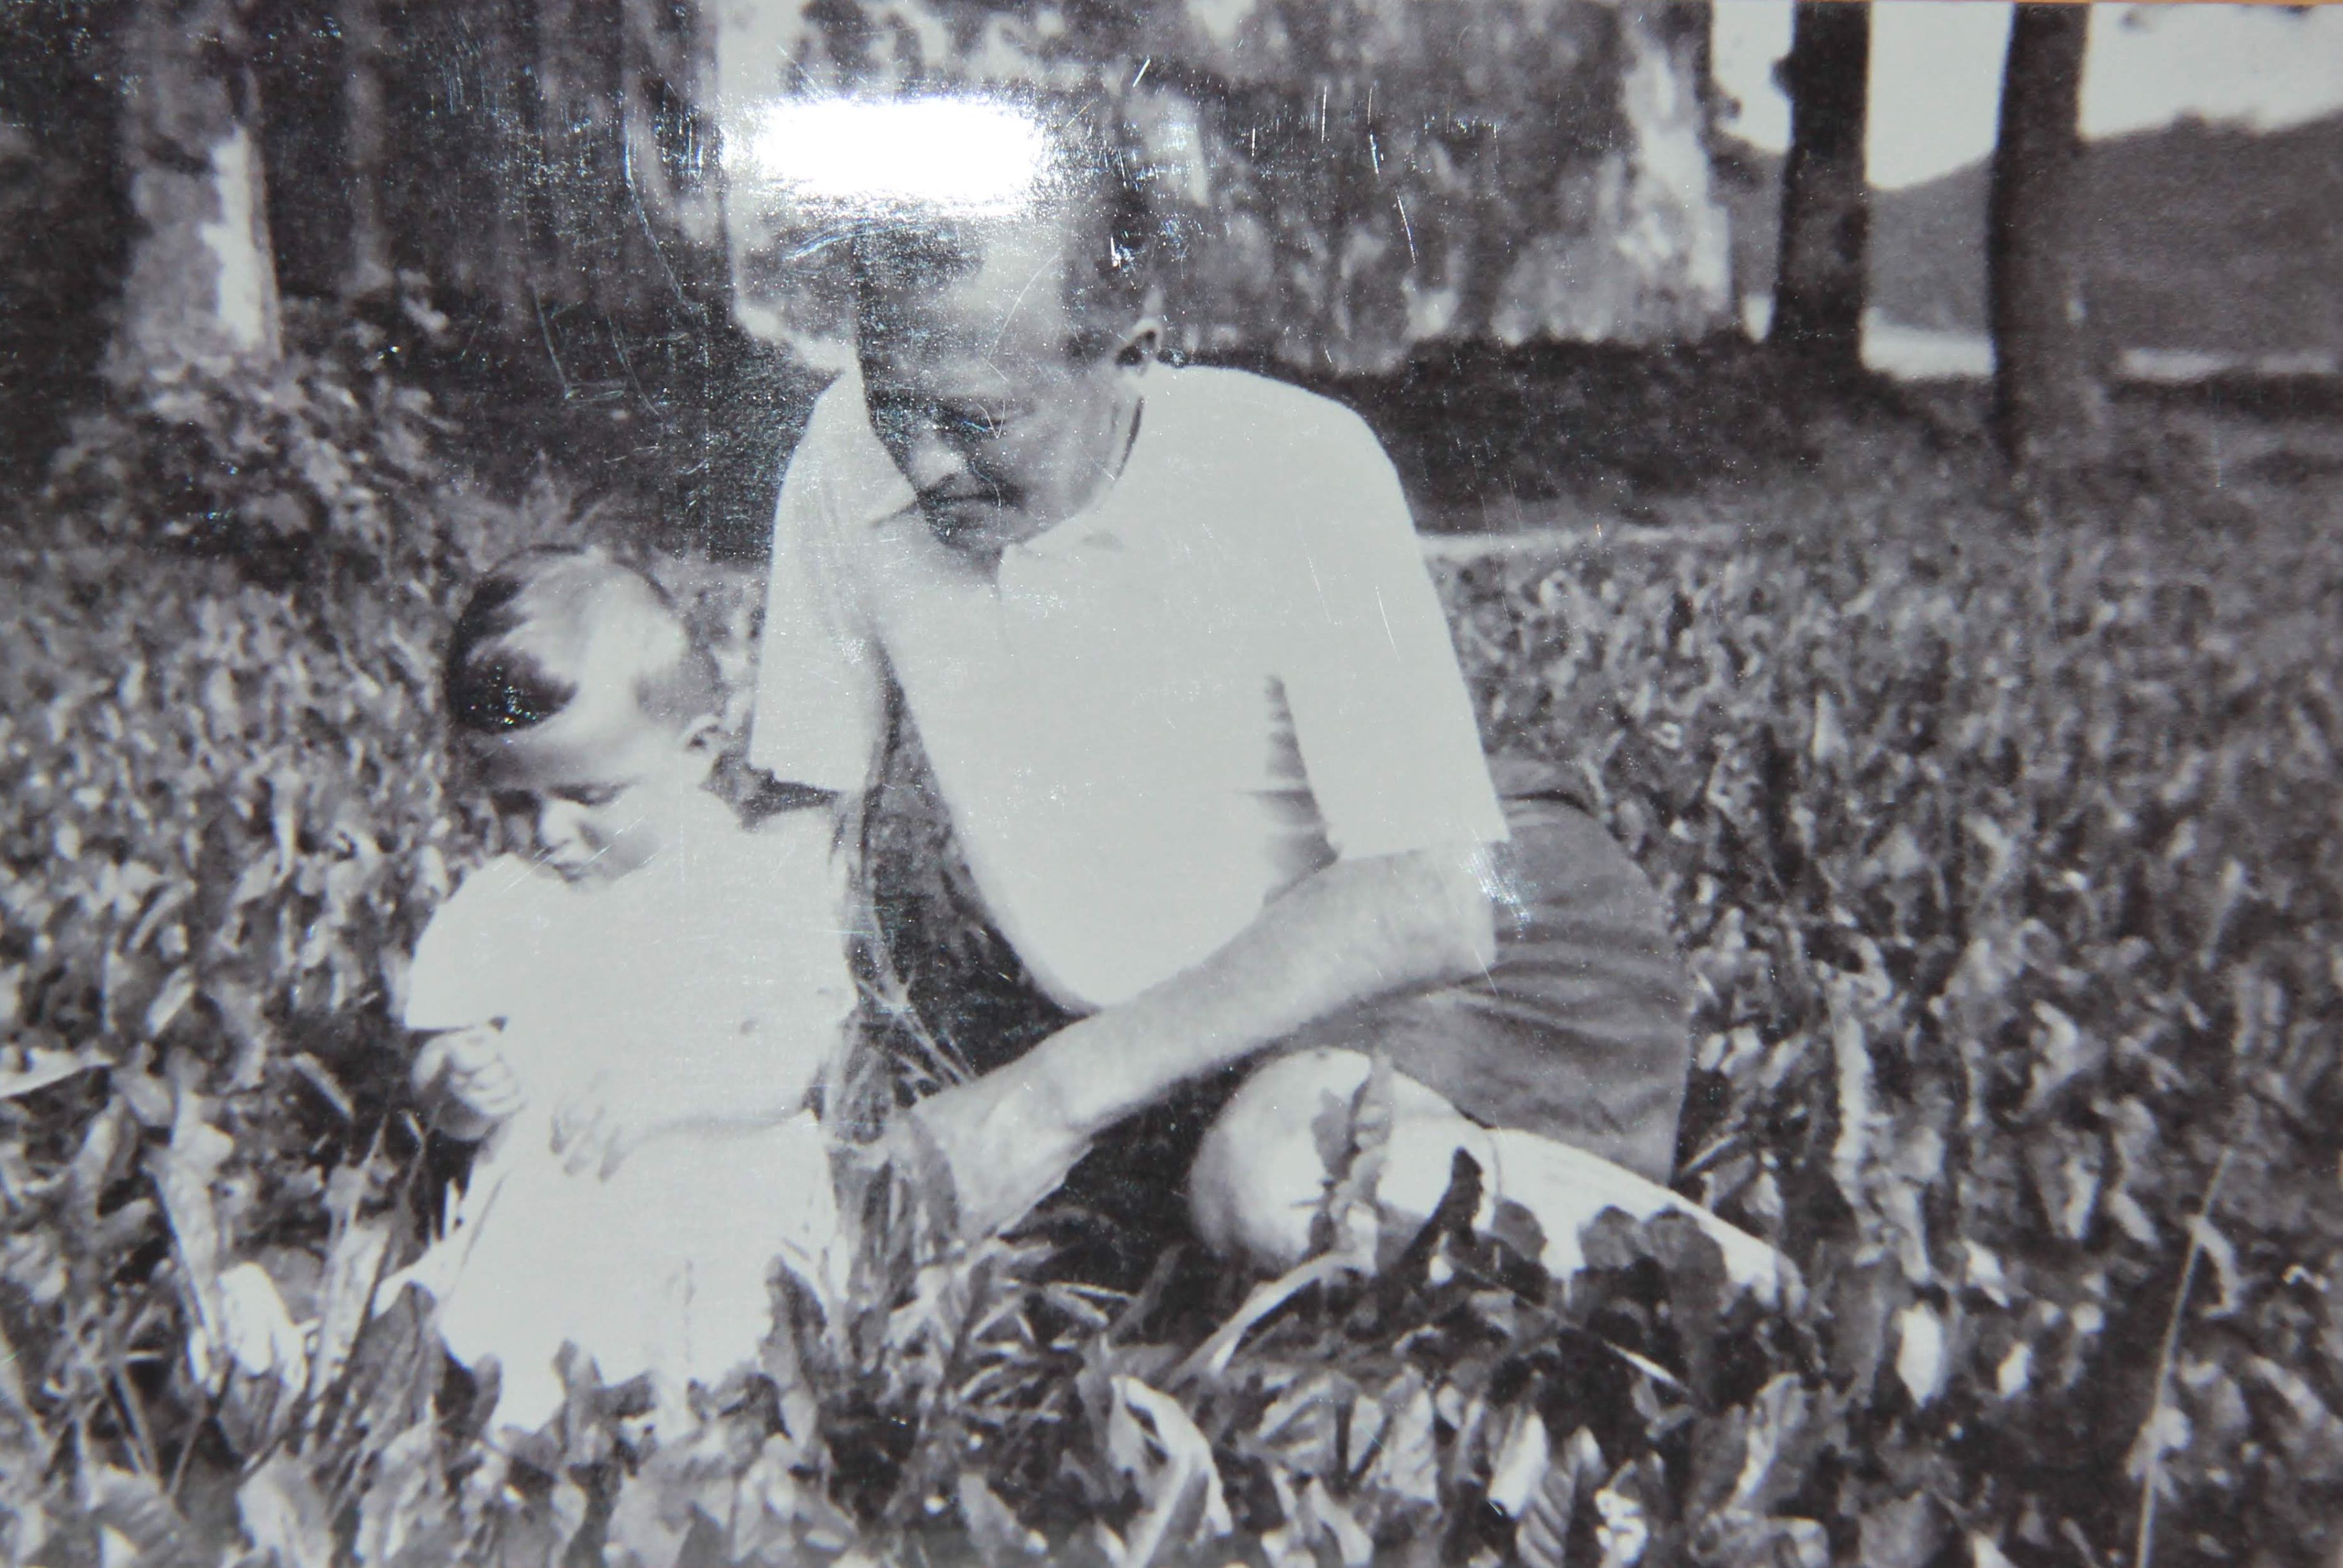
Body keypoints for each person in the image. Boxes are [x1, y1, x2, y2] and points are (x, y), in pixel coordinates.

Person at [752, 96, 1750, 1284]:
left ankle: (1736, 1286)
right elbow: (803, 823)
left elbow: (1432, 899)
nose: (922, 464)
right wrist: (748, 1094)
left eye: (978, 421)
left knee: (1274, 1187)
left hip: (1483, 954)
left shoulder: (1290, 467)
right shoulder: (841, 461)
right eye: (893, 403)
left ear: (1132, 351)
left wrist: (1043, 1100)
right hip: (1202, 1033)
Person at [400, 544, 853, 1431]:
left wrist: (667, 1093)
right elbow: (440, 1089)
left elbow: (792, 1063)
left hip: (717, 1193)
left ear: (695, 752)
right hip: (552, 1199)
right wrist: (456, 1083)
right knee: (507, 1355)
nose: (549, 833)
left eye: (590, 796)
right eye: (514, 803)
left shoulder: (748, 886)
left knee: (716, 1362)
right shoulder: (500, 904)